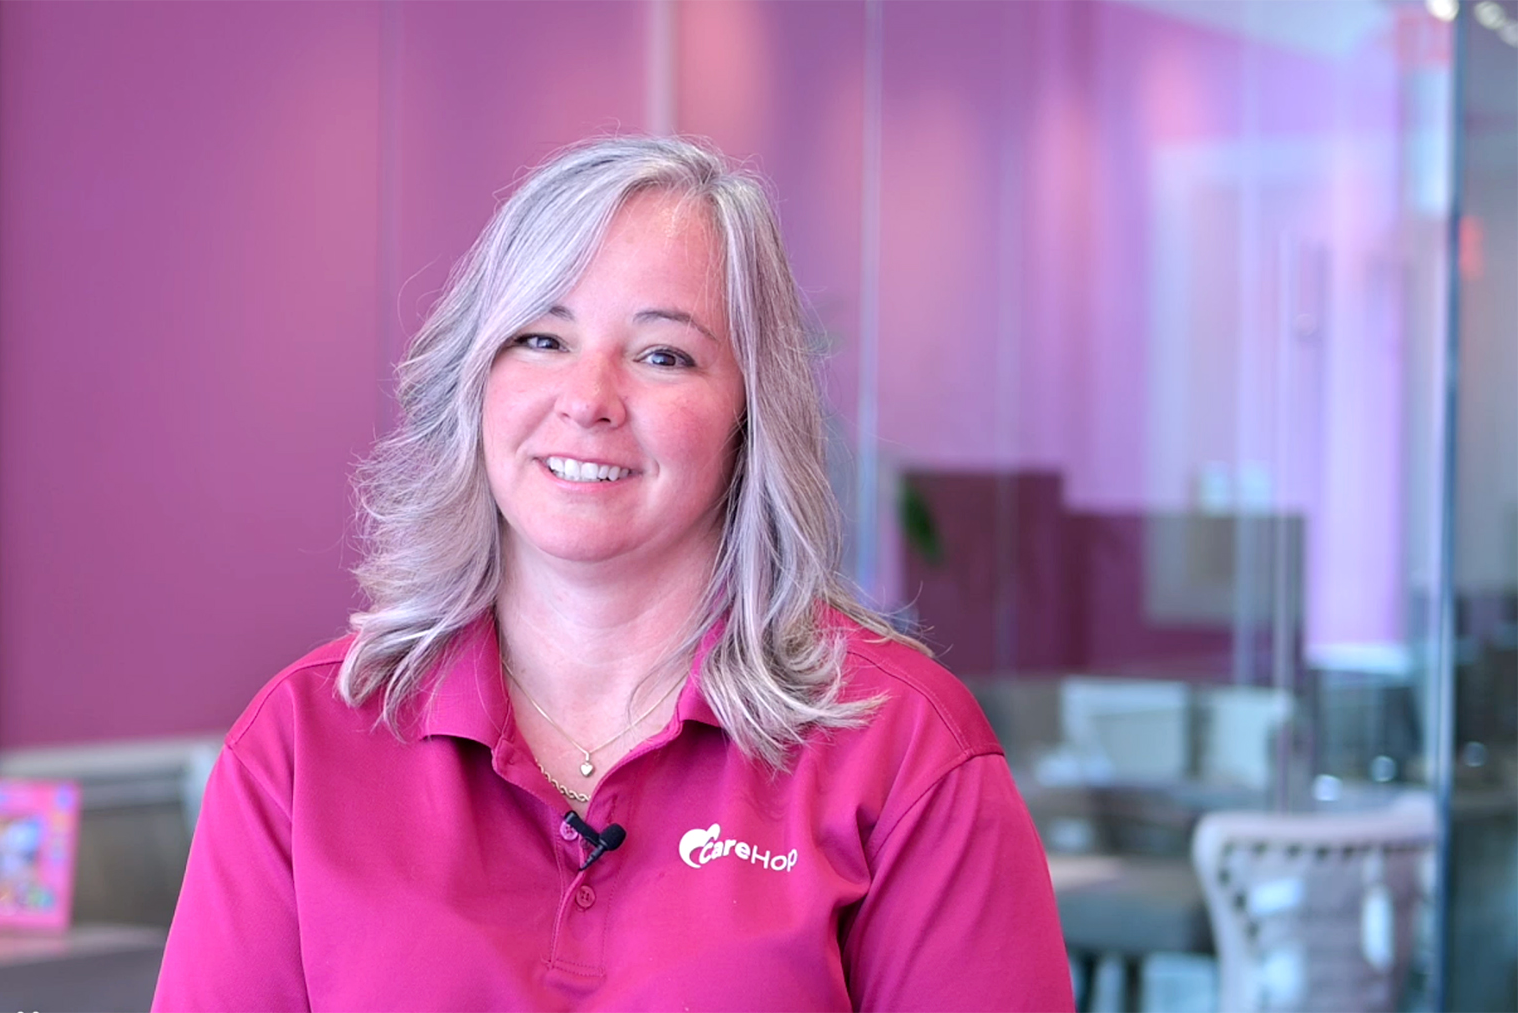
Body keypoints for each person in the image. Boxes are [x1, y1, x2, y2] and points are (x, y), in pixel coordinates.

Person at [153, 136, 1072, 1012]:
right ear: (474, 382)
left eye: (663, 354)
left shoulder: (908, 752)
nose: (589, 400)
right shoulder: (302, 746)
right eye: (541, 339)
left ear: (750, 418)